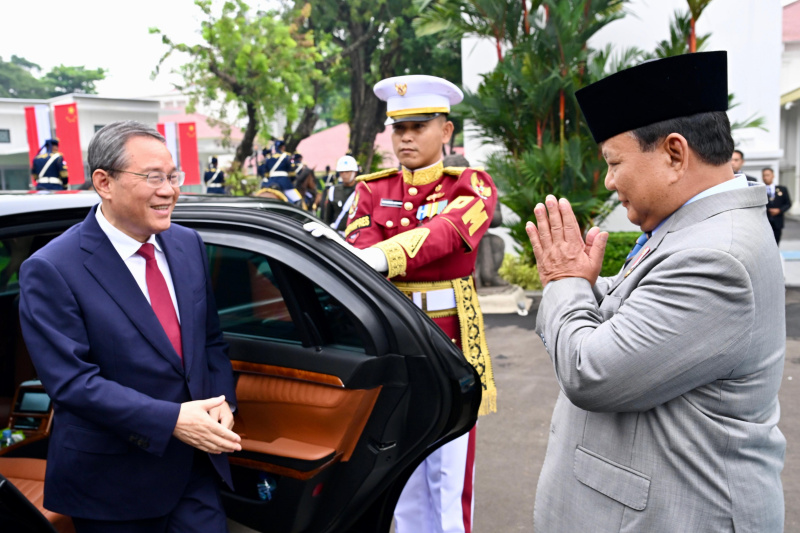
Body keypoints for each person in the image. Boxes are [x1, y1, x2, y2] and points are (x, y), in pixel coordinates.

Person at [526, 52, 785, 532]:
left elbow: (590, 371)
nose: (609, 181)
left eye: (614, 162)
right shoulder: (695, 228)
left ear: (674, 154)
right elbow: (637, 305)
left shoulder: (717, 256)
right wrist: (581, 283)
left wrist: (564, 282)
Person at [18, 121, 241, 532]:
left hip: (194, 472)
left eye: (173, 176)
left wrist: (222, 401)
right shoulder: (52, 268)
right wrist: (172, 420)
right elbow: (72, 383)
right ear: (104, 182)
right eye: (153, 177)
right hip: (111, 485)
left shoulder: (187, 243)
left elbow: (210, 341)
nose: (169, 190)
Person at [305, 75, 497, 533]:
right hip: (392, 341)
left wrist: (380, 257)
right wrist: (357, 252)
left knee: (448, 477)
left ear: (446, 131)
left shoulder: (469, 185)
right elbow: (360, 240)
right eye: (398, 128)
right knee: (401, 474)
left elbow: (448, 233)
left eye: (418, 126)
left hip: (449, 344)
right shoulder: (372, 189)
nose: (406, 138)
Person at [321, 155, 359, 234]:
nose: (344, 174)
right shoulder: (333, 190)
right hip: (337, 234)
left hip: (356, 234)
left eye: (347, 172)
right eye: (341, 172)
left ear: (355, 172)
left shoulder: (361, 190)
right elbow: (328, 216)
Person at [763, 166, 791, 243]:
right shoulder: (760, 189)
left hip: (777, 221)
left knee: (776, 241)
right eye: (764, 175)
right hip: (765, 221)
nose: (765, 177)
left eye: (767, 175)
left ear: (773, 175)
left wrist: (779, 210)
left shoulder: (782, 189)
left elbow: (788, 203)